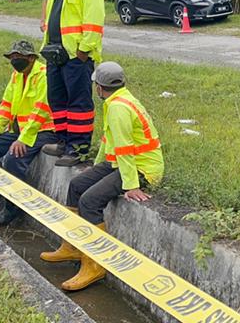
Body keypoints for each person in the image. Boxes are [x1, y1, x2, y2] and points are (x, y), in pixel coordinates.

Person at [40, 61, 163, 291]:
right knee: (77, 185)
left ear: (98, 87)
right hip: (121, 163)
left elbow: (125, 149)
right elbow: (109, 141)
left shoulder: (118, 108)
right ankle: (72, 247)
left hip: (142, 168)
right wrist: (96, 169)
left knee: (89, 201)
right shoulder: (117, 100)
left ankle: (95, 265)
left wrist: (131, 185)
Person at [38, 0, 105, 167]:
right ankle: (63, 141)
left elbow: (94, 21)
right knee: (57, 99)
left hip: (76, 55)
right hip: (55, 52)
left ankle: (78, 148)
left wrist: (83, 51)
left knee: (78, 102)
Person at [0, 40, 57, 226]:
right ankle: (4, 196)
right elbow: (6, 105)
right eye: (12, 57)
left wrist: (23, 139)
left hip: (44, 130)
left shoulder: (44, 75)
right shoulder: (16, 76)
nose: (14, 60)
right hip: (21, 130)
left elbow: (41, 110)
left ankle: (13, 209)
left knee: (13, 159)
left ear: (31, 58)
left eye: (18, 57)